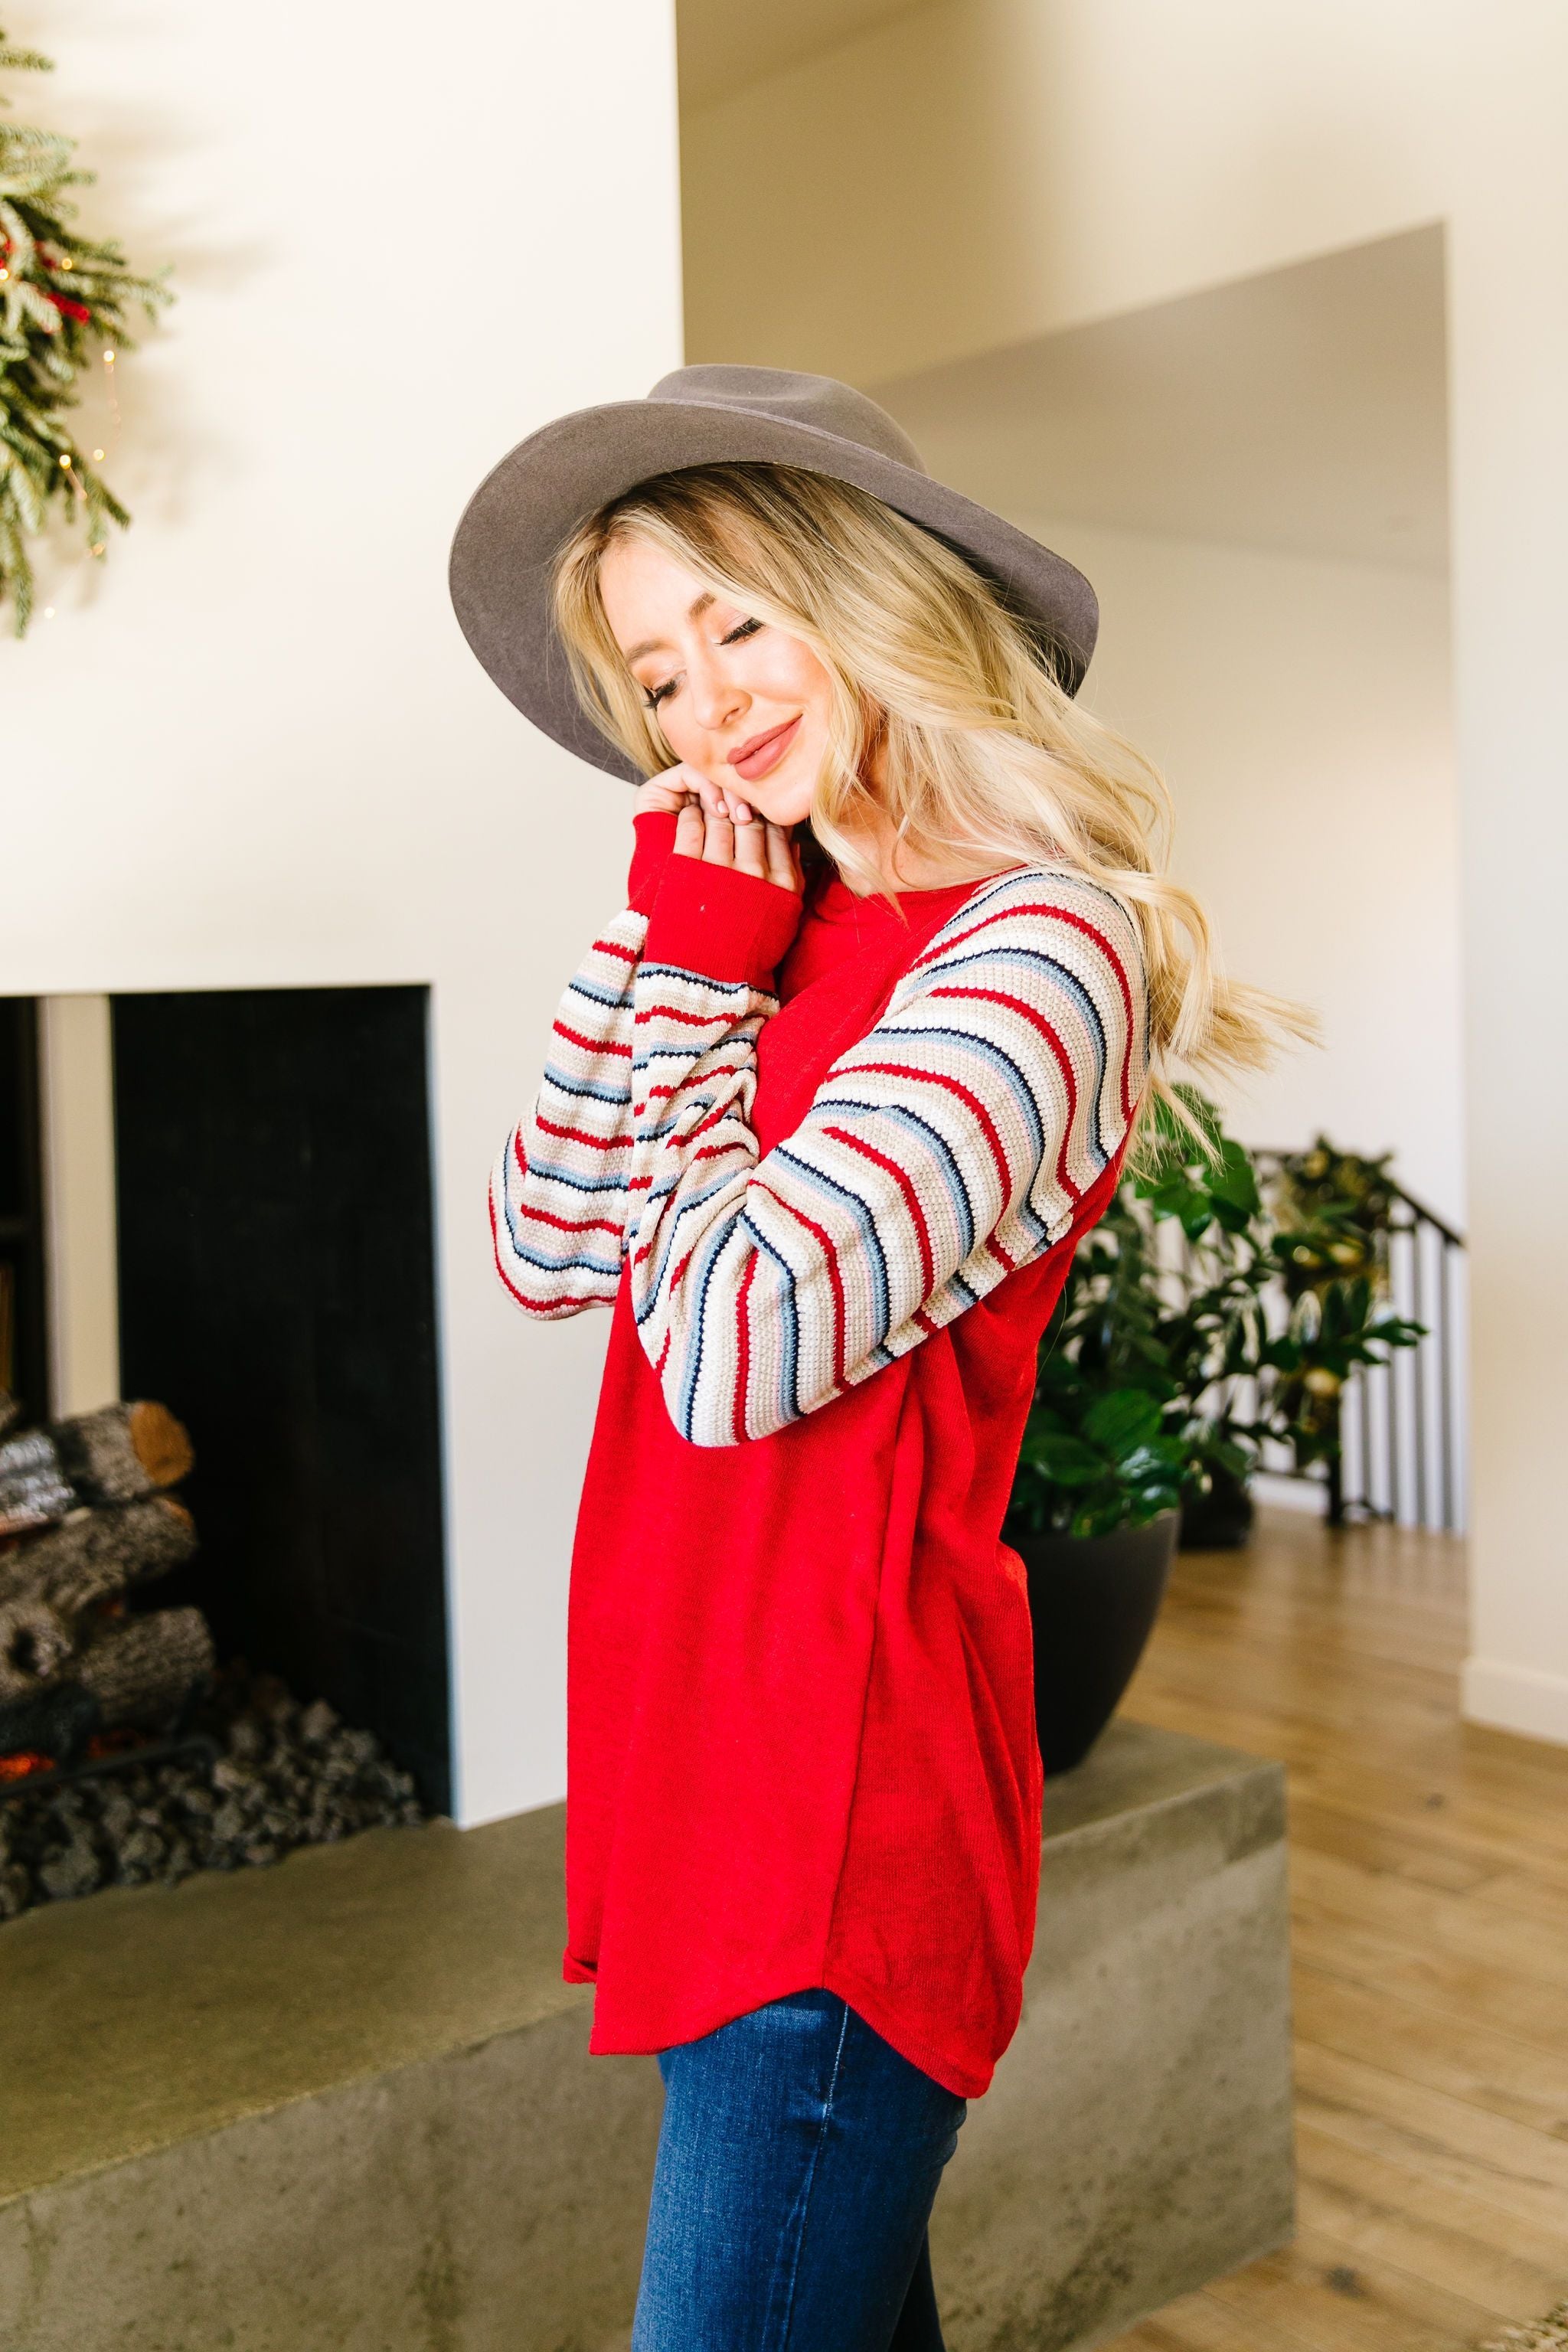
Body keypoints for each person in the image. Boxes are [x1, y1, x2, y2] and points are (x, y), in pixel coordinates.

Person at [448, 367, 1291, 2352]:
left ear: (867, 593)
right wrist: (671, 948)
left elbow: (733, 1350)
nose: (708, 702)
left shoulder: (1036, 950)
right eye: (656, 674)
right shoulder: (757, 914)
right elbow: (547, 1249)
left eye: (738, 620)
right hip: (700, 1753)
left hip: (839, 1800)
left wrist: (698, 978)